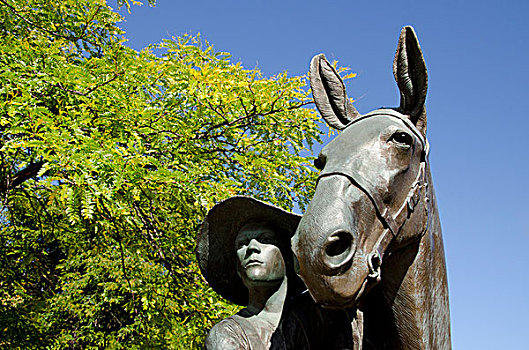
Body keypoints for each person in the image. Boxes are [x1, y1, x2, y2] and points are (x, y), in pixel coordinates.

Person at [196, 196, 358, 350]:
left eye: (266, 239)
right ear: (239, 269)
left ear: (289, 258)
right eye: (242, 244)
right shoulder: (228, 335)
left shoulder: (321, 316)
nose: (252, 248)